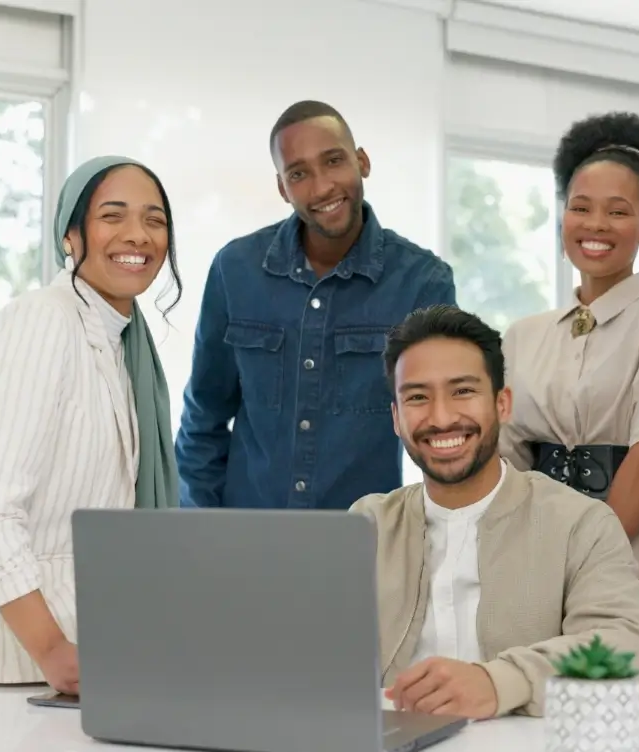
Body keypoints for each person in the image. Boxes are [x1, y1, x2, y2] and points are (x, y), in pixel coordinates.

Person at [0, 156, 182, 694]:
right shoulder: (41, 323)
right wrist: (51, 649)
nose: (137, 235)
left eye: (155, 220)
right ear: (71, 235)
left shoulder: (125, 347)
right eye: (113, 216)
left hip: (68, 676)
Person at [357, 305, 639, 719]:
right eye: (418, 397)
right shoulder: (366, 525)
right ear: (396, 417)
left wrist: (500, 683)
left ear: (502, 404)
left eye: (463, 391)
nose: (441, 417)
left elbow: (629, 651)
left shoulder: (579, 523)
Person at [499, 112, 639, 705]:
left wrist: (587, 575)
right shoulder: (523, 335)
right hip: (535, 558)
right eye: (581, 206)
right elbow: (505, 468)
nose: (595, 224)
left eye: (618, 211)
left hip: (629, 556)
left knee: (636, 732)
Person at [176, 100, 456, 511]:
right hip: (245, 541)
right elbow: (203, 419)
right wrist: (201, 529)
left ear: (362, 161)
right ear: (282, 187)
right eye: (299, 174)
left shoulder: (422, 282)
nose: (322, 187)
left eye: (334, 161)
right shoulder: (235, 270)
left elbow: (438, 429)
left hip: (362, 544)